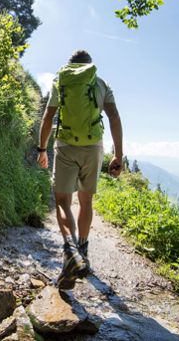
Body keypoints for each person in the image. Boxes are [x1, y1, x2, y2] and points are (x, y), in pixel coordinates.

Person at [37, 49, 123, 290]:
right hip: (93, 147)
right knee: (86, 202)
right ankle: (82, 251)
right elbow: (114, 116)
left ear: (70, 65)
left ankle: (70, 249)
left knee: (63, 201)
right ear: (90, 65)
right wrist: (118, 154)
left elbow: (48, 117)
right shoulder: (100, 82)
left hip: (65, 146)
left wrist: (42, 149)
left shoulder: (61, 82)